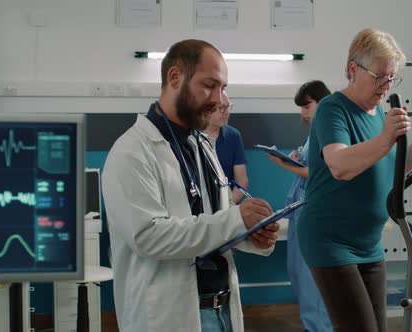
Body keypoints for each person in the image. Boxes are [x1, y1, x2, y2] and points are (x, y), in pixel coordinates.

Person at [101, 39, 280, 332]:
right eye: (210, 85)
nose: (219, 99)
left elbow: (214, 221)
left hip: (222, 310)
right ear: (175, 78)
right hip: (169, 316)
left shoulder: (202, 146)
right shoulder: (131, 152)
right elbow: (149, 237)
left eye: (223, 88)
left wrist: (251, 234)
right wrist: (236, 219)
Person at [296, 29, 412, 332]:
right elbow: (340, 165)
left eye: (392, 78)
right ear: (353, 69)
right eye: (380, 76)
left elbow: (393, 167)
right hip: (330, 241)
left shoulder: (379, 114)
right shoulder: (332, 109)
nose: (386, 86)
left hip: (368, 243)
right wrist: (385, 138)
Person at [266, 80, 333, 332]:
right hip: (301, 209)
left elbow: (318, 173)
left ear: (322, 101)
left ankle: (319, 328)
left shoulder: (329, 130)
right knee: (298, 272)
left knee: (310, 277)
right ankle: (313, 325)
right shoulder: (314, 132)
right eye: (301, 108)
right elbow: (309, 161)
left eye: (307, 106)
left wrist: (281, 163)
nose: (303, 112)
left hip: (314, 211)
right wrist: (294, 156)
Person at [204, 93, 249, 204]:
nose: (227, 113)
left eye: (228, 107)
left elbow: (242, 181)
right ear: (206, 109)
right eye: (221, 108)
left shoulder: (233, 136)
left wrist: (226, 208)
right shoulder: (190, 136)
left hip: (227, 202)